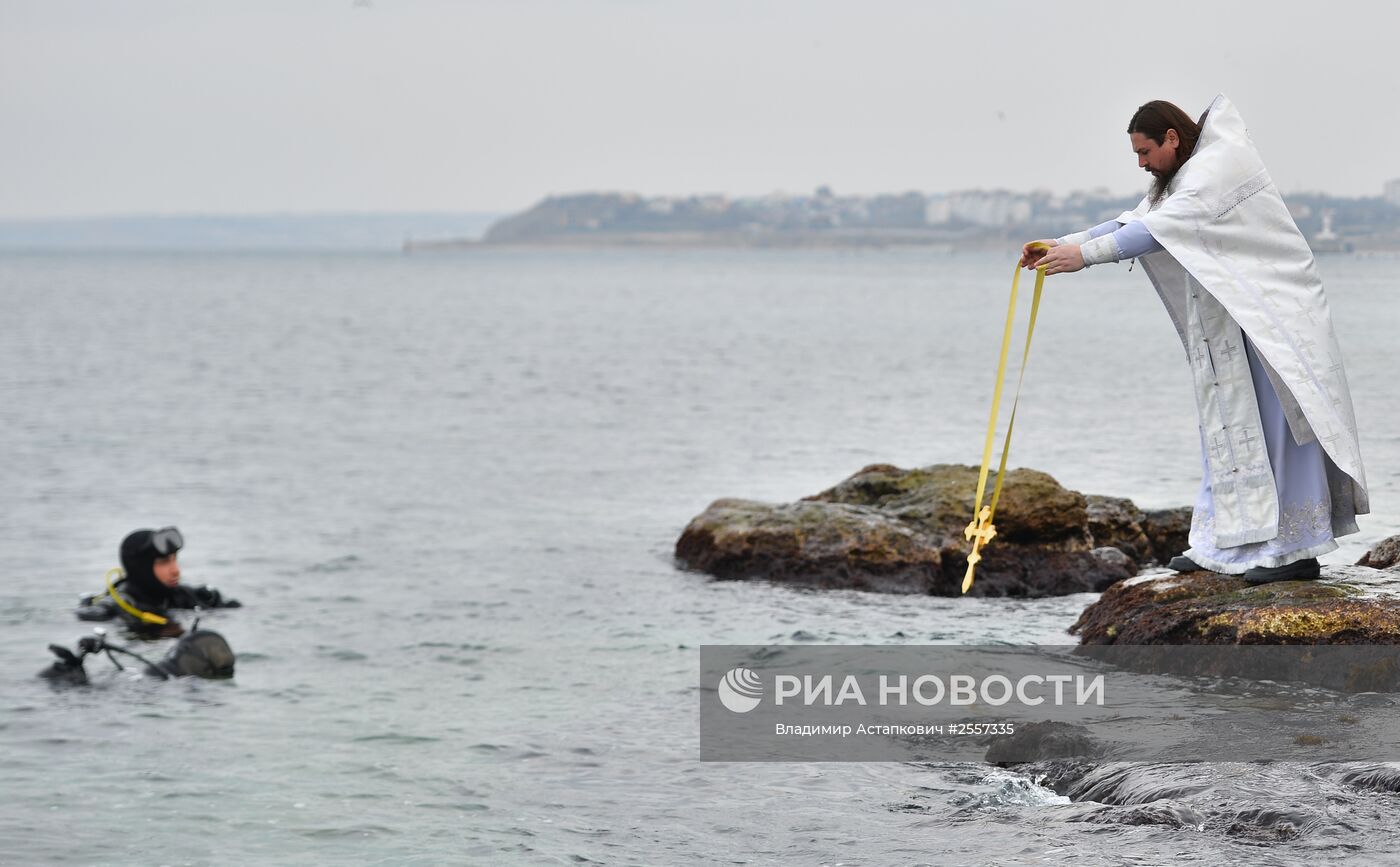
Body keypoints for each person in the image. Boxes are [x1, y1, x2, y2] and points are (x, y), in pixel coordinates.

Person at [1020, 95, 1368, 585]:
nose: (1142, 164)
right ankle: (1221, 544)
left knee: (1284, 433)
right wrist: (1060, 245)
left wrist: (1085, 257)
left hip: (1274, 319)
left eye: (1145, 153)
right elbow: (1135, 221)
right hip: (1234, 319)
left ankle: (1298, 549)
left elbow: (1158, 229)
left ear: (1172, 139)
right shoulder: (1182, 176)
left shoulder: (1218, 167)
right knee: (1226, 427)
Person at [77, 526, 241, 635]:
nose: (176, 570)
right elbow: (87, 617)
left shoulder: (184, 596)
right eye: (164, 562)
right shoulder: (117, 607)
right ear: (141, 568)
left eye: (175, 559)